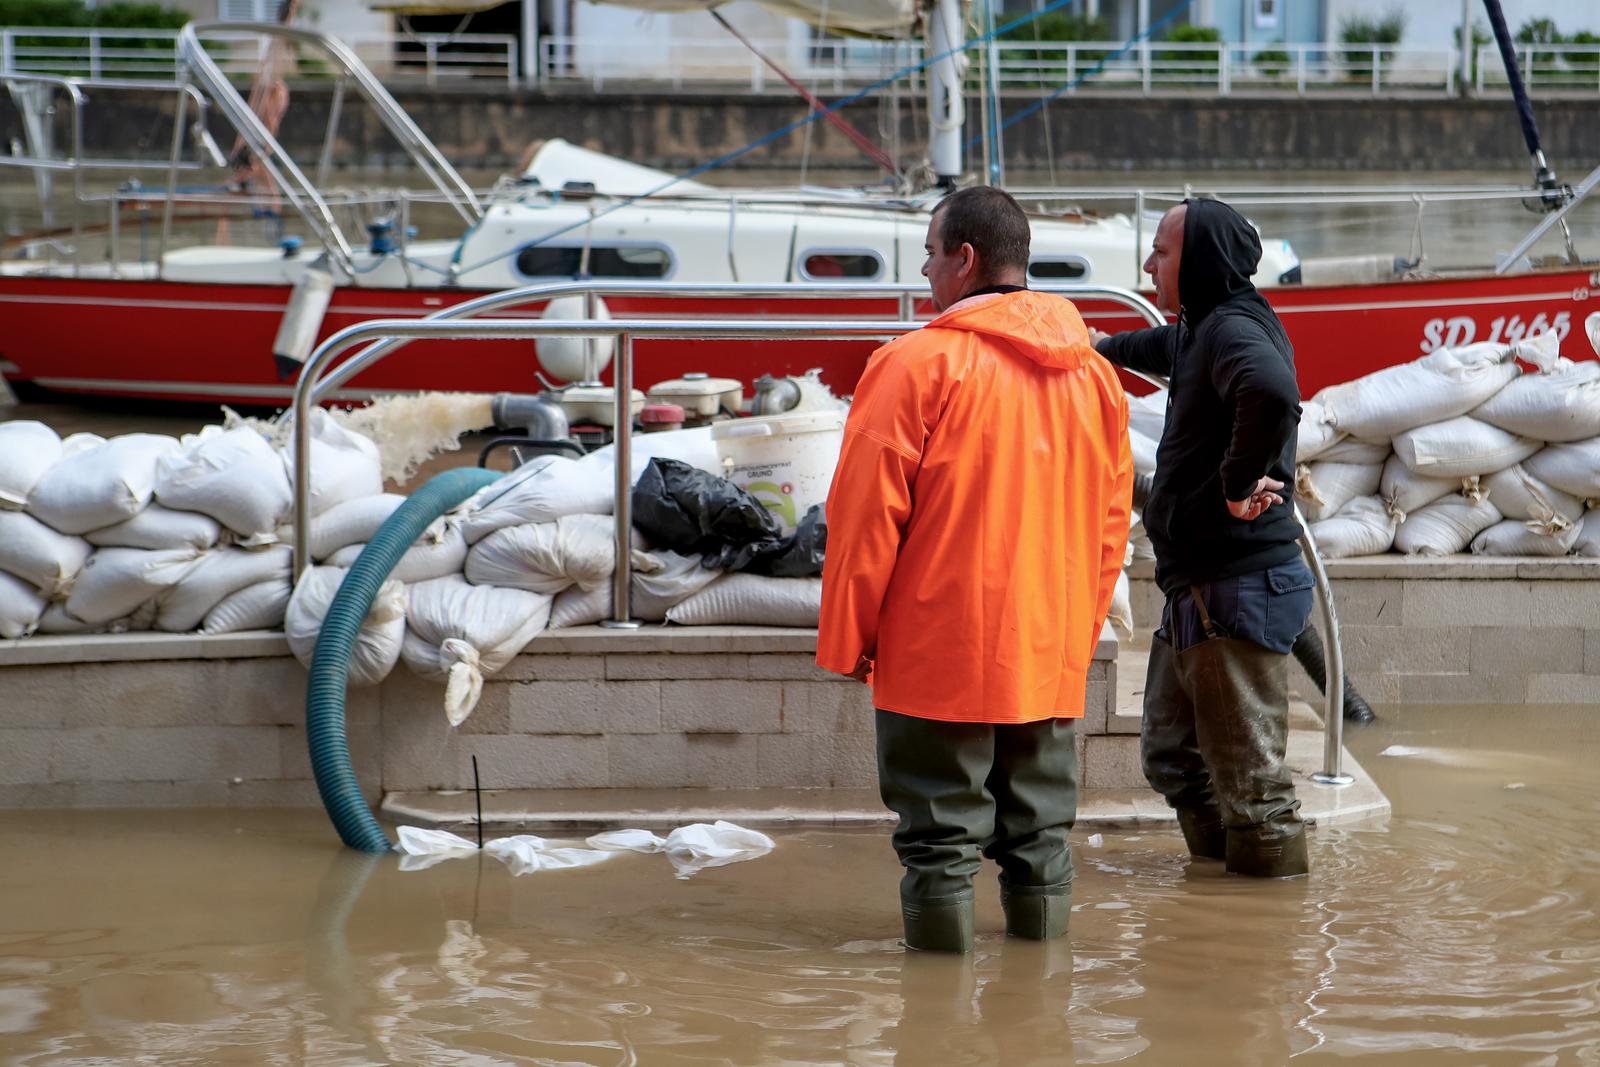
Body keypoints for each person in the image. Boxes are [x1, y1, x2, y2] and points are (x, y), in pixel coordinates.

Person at [817, 186, 1134, 953]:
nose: (925, 271)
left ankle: (937, 1021)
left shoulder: (913, 364)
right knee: (1042, 842)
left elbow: (863, 522)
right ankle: (1040, 1015)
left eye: (929, 253)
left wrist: (849, 641)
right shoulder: (1095, 376)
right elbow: (1111, 529)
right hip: (1047, 650)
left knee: (939, 845)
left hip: (938, 652)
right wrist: (1075, 638)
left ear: (963, 259)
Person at [1091, 197, 1314, 878]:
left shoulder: (1233, 332)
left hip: (1236, 590)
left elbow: (1272, 390)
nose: (1147, 263)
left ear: (1200, 259)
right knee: (1173, 757)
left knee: (1254, 790)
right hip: (1198, 590)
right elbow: (1157, 347)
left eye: (1160, 250)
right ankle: (1220, 899)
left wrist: (1236, 482)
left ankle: (1262, 947)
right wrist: (1096, 349)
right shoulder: (1200, 327)